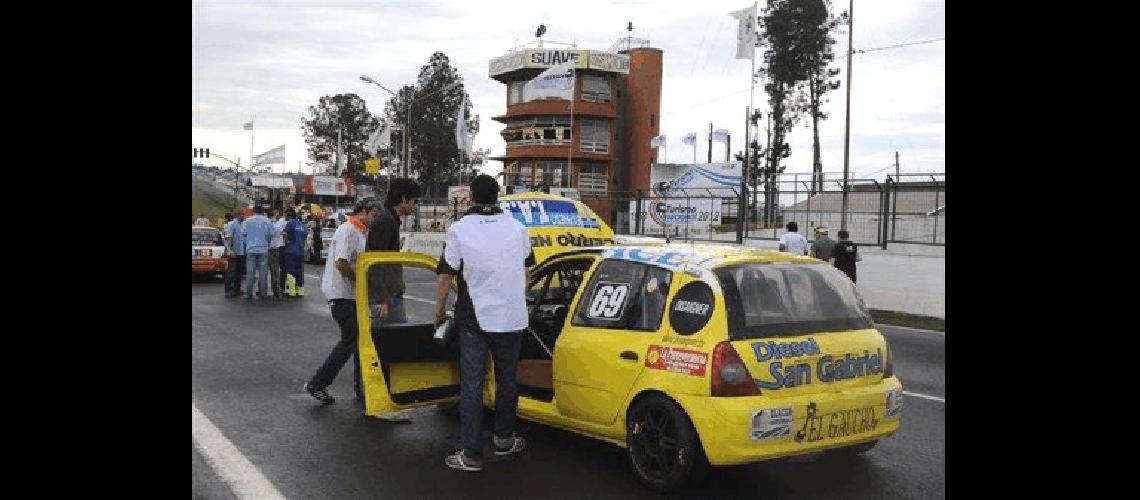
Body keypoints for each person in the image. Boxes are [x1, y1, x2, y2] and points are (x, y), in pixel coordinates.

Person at [435, 174, 533, 472]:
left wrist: (438, 311)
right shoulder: (518, 228)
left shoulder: (460, 229)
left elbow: (445, 275)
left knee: (473, 385)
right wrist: (516, 298)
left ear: (471, 197)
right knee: (507, 381)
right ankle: (504, 440)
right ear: (498, 195)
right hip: (512, 317)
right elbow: (528, 272)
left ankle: (471, 455)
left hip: (474, 318)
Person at [304, 198, 384, 407]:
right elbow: (341, 264)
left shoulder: (361, 233)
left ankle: (362, 388)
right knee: (351, 338)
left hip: (352, 295)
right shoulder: (348, 230)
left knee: (360, 339)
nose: (375, 221)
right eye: (374, 215)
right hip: (341, 293)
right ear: (363, 212)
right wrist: (360, 280)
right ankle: (317, 383)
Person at [365, 179, 422, 419]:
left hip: (390, 295)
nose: (416, 206)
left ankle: (385, 402)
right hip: (386, 298)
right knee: (389, 349)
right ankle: (384, 405)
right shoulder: (386, 222)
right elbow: (375, 263)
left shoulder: (389, 220)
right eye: (415, 201)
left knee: (390, 347)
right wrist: (380, 299)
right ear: (404, 200)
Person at [241, 205, 276, 300]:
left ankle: (248, 294)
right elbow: (271, 235)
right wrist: (267, 243)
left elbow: (243, 234)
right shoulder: (267, 221)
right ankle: (263, 293)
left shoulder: (247, 221)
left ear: (253, 211)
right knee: (263, 272)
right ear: (262, 211)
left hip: (251, 248)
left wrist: (248, 242)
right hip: (263, 248)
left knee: (250, 272)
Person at [283, 208, 307, 297]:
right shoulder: (300, 224)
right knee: (299, 271)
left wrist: (287, 241)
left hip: (291, 251)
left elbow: (285, 233)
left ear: (288, 215)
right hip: (300, 251)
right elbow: (305, 236)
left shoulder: (290, 223)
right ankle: (300, 291)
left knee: (291, 271)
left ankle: (291, 291)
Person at [222, 212, 246, 298]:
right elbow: (229, 238)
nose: (243, 216)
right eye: (242, 215)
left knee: (239, 272)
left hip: (242, 252)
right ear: (237, 215)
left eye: (244, 215)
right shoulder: (231, 224)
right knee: (231, 271)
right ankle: (228, 290)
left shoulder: (243, 224)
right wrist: (230, 250)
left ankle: (237, 289)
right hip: (234, 252)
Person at [268, 211, 286, 298]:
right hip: (275, 249)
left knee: (262, 271)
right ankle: (276, 290)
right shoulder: (277, 225)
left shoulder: (265, 224)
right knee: (275, 271)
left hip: (265, 249)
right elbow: (283, 233)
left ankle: (262, 290)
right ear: (274, 216)